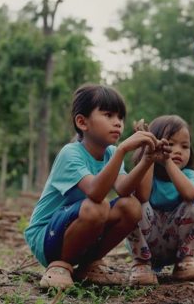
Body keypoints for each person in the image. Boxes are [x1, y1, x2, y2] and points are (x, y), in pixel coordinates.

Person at [24, 84, 170, 289]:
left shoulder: (109, 153)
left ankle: (87, 266)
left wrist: (147, 160)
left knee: (131, 206)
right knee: (97, 205)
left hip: (79, 226)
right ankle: (60, 266)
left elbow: (129, 192)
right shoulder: (71, 153)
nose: (118, 123)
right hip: (46, 237)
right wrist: (122, 151)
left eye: (120, 117)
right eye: (108, 115)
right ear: (82, 122)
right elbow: (95, 192)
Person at [125, 115, 194, 285]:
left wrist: (167, 160)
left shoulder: (189, 175)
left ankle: (185, 261)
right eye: (170, 144)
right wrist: (149, 156)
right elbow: (142, 197)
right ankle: (141, 264)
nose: (178, 150)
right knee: (132, 205)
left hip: (176, 247)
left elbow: (190, 195)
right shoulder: (147, 172)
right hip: (146, 245)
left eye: (185, 146)